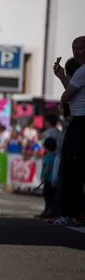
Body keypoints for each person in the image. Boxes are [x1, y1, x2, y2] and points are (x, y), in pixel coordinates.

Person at [53, 36, 85, 224]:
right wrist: (63, 76)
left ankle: (70, 214)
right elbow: (72, 96)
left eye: (80, 48)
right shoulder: (80, 73)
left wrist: (65, 79)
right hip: (80, 120)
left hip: (80, 122)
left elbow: (65, 97)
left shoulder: (82, 71)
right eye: (74, 48)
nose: (76, 51)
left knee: (70, 167)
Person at [40, 137, 57, 216]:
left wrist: (44, 177)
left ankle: (47, 211)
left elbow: (47, 167)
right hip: (54, 179)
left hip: (48, 179)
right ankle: (50, 210)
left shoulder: (47, 156)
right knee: (52, 196)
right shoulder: (55, 155)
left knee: (47, 196)